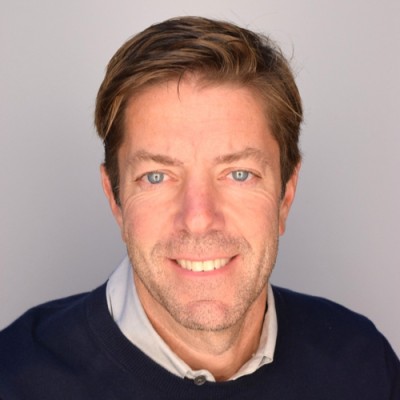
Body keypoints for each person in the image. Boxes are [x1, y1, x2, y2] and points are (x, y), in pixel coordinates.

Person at [0, 16, 399, 399]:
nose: (198, 218)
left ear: (286, 196)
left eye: (239, 174)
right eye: (156, 176)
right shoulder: (14, 379)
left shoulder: (363, 365)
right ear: (115, 200)